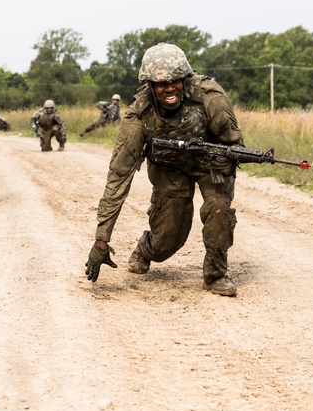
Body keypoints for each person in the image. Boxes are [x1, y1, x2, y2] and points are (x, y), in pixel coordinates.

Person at [84, 43, 243, 297]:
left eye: (175, 81)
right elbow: (118, 177)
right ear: (150, 85)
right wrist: (101, 241)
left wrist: (227, 160)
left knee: (218, 208)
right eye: (160, 83)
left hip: (209, 164)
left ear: (184, 78)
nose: (169, 88)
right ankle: (145, 249)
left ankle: (215, 274)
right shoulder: (139, 116)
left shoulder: (210, 99)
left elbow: (235, 144)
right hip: (168, 169)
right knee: (168, 241)